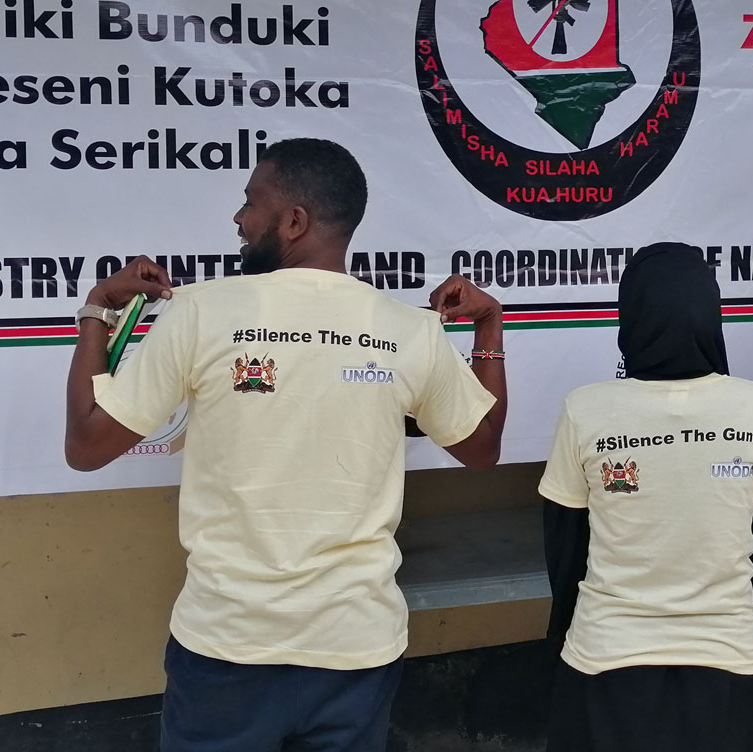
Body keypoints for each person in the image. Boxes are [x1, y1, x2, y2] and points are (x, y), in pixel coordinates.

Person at [64, 137, 509, 752]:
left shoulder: (199, 313)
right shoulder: (409, 331)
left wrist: (96, 313)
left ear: (294, 221)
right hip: (356, 648)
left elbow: (87, 444)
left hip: (228, 648)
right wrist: (490, 327)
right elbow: (482, 447)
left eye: (251, 202)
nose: (238, 219)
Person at [538, 242, 753, 752]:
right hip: (727, 656)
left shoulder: (587, 409)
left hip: (606, 656)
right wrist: (752, 632)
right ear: (710, 314)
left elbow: (564, 553)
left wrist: (568, 638)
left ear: (630, 315)